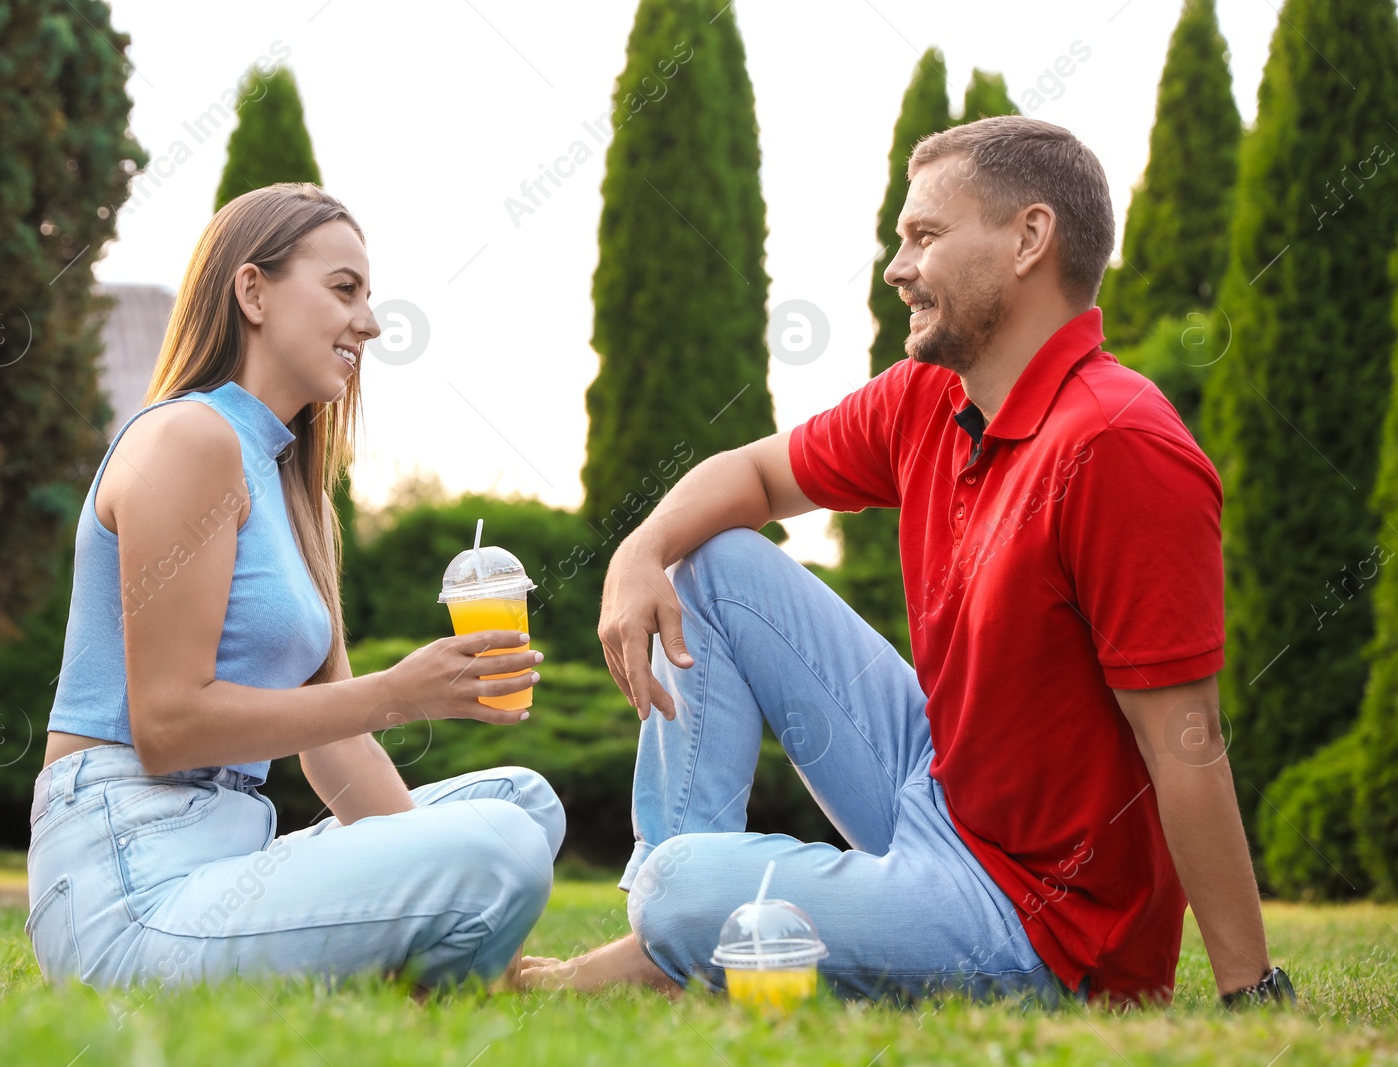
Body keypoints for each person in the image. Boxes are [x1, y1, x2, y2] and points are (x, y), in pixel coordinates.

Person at [520, 116, 1293, 1009]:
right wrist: (639, 548)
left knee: (679, 886)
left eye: (924, 235)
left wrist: (1250, 992)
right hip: (941, 787)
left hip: (1032, 920)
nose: (896, 268)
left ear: (1028, 239)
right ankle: (670, 947)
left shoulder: (1120, 445)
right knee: (709, 560)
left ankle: (679, 913)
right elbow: (757, 474)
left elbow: (1185, 741)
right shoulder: (929, 394)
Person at [26, 183, 563, 993]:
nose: (371, 324)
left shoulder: (292, 484)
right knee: (500, 844)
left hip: (226, 855)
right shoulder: (189, 438)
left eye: (368, 298)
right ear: (253, 292)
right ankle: (456, 984)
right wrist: (399, 695)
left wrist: (452, 885)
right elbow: (166, 725)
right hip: (131, 884)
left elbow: (333, 741)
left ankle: (455, 967)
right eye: (344, 290)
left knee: (520, 804)